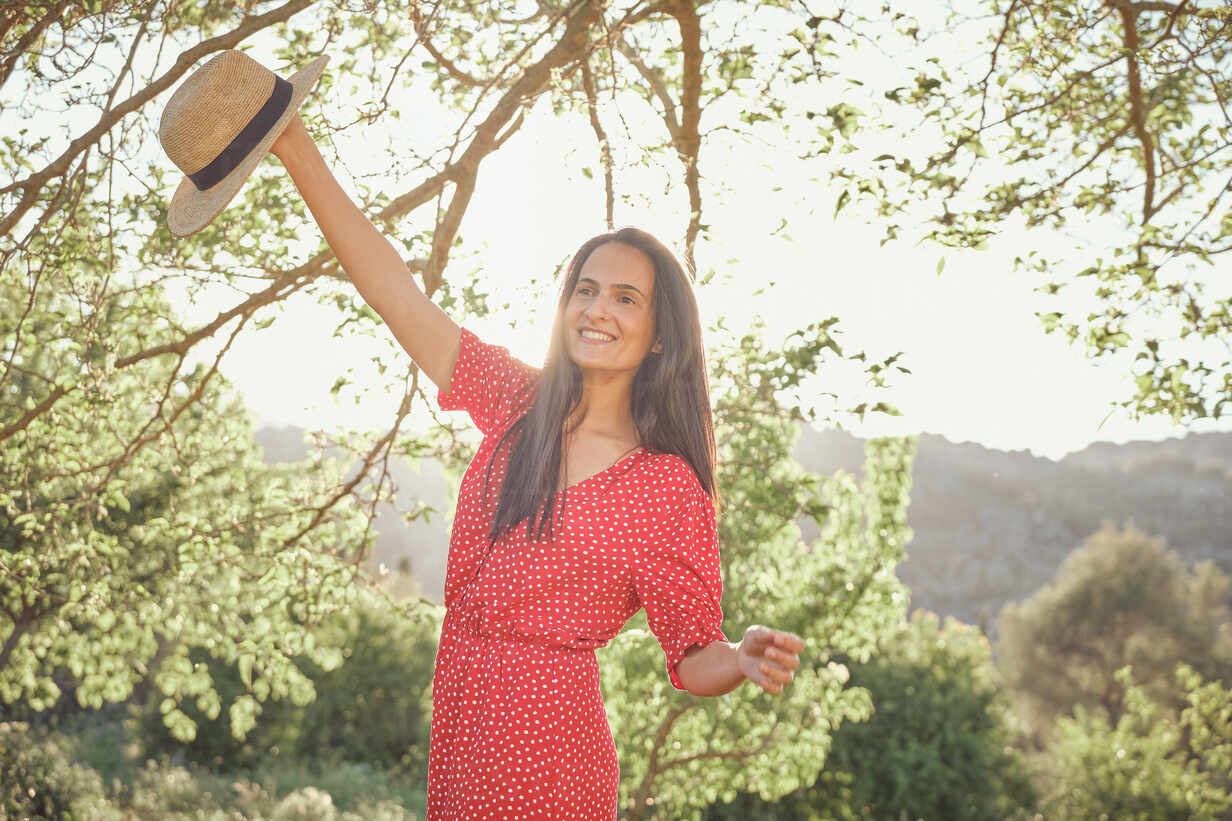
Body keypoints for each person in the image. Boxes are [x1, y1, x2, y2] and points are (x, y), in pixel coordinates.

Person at [268, 112, 805, 819]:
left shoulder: (666, 488)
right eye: (585, 288)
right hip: (463, 718)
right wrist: (293, 145)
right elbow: (394, 293)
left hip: (551, 746)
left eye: (624, 297)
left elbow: (694, 652)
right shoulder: (518, 401)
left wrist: (739, 656)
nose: (596, 308)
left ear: (655, 336)